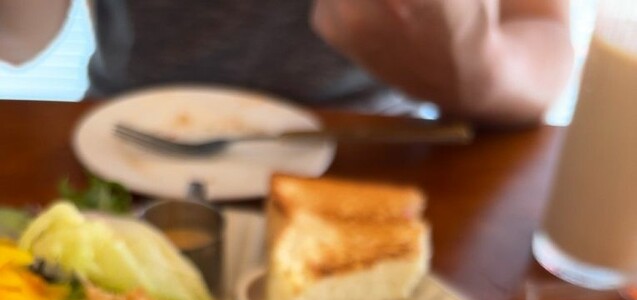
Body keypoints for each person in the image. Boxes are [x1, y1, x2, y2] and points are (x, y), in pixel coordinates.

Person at [0, 0, 573, 125]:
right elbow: (20, 40)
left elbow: (544, 33)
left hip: (381, 157)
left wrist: (474, 66)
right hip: (124, 146)